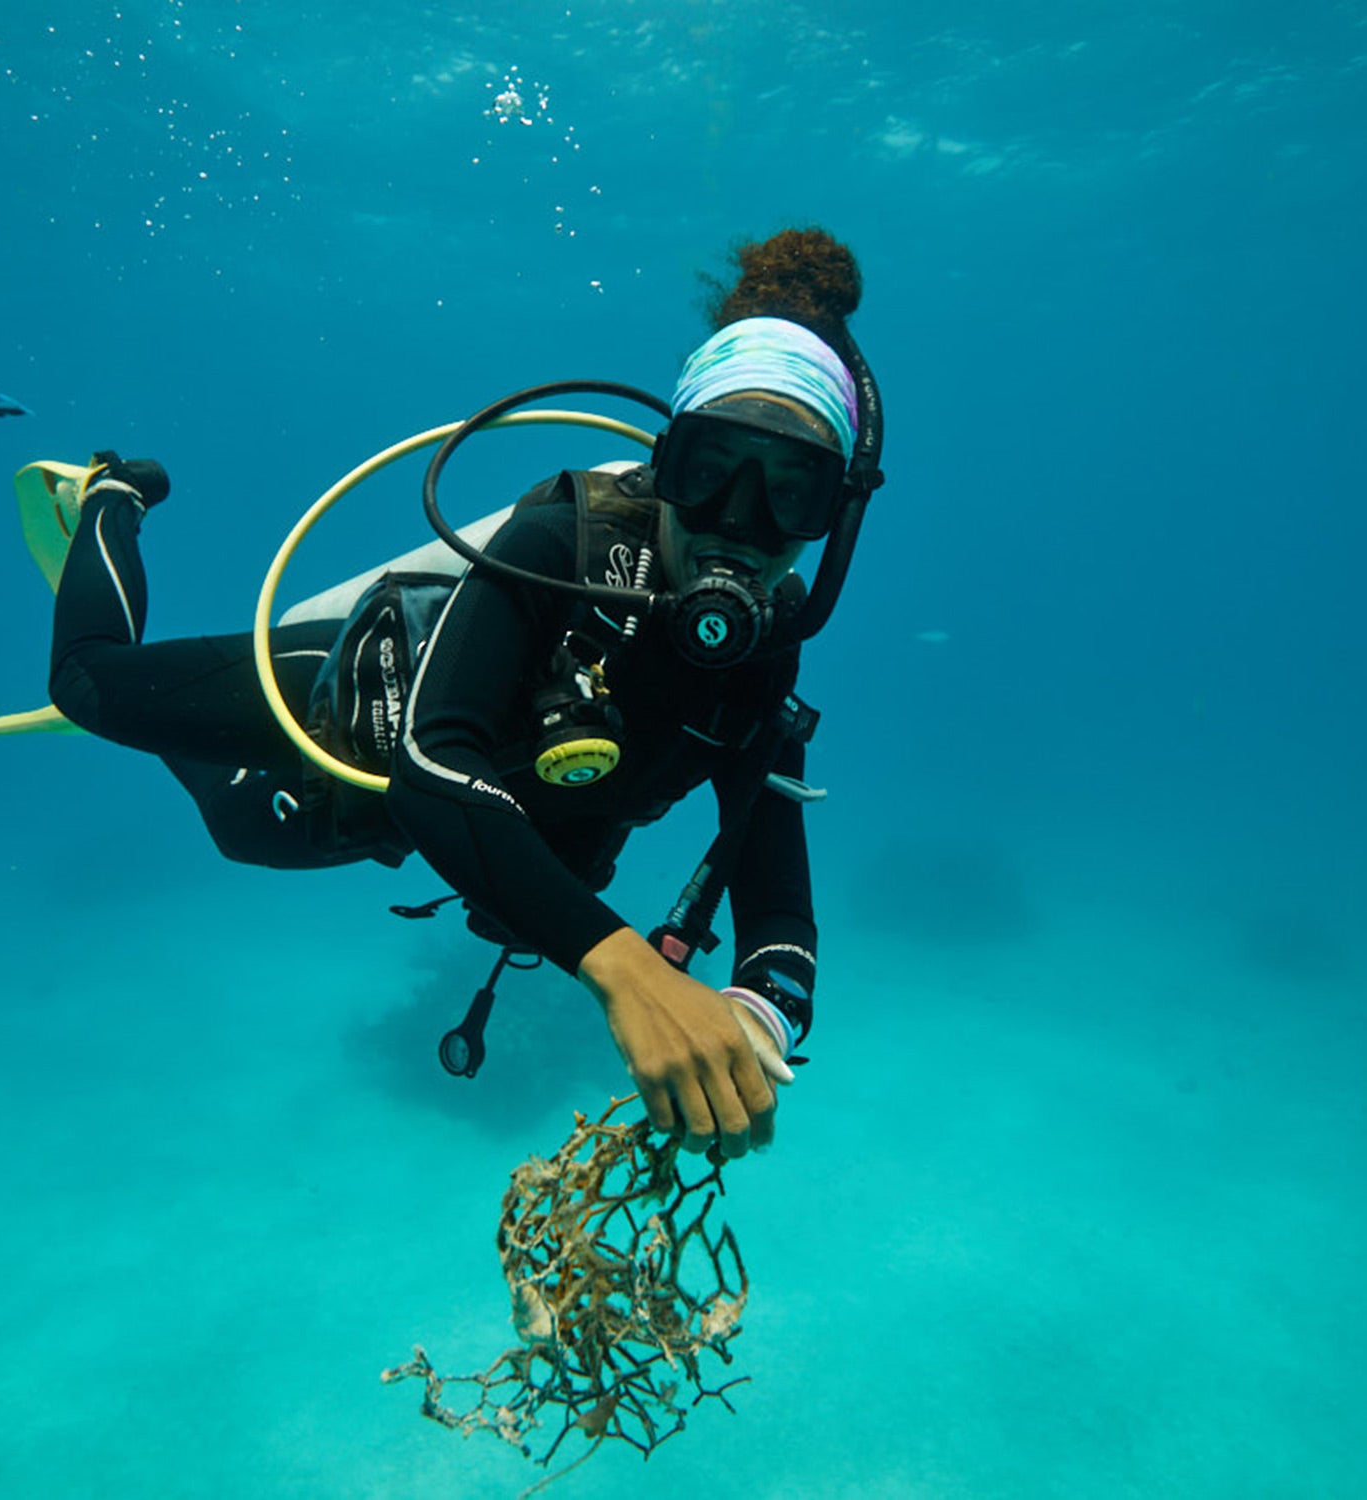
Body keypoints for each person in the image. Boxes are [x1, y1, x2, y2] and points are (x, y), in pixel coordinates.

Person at [46, 227, 884, 1160]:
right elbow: (434, 762)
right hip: (357, 696)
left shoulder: (763, 657)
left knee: (248, 832)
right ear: (665, 465)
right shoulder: (560, 545)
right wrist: (625, 972)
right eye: (709, 472)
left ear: (836, 520)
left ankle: (199, 738)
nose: (740, 523)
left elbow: (776, 904)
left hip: (455, 826)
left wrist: (759, 1018)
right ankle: (113, 498)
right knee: (88, 690)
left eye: (791, 495)